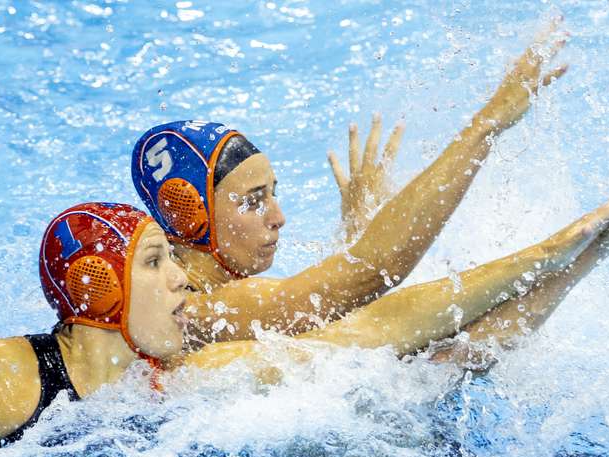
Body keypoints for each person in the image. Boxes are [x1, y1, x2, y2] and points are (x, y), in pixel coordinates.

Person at [0, 146, 609, 449]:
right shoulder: (5, 380)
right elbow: (360, 284)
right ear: (100, 292)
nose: (182, 279)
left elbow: (372, 332)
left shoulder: (178, 383)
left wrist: (572, 252)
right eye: (156, 263)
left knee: (432, 372)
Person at [131, 21, 570, 344]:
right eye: (253, 201)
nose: (279, 218)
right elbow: (373, 274)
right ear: (189, 215)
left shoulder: (221, 298)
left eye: (274, 194)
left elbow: (334, 310)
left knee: (446, 350)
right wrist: (486, 125)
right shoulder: (187, 311)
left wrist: (359, 230)